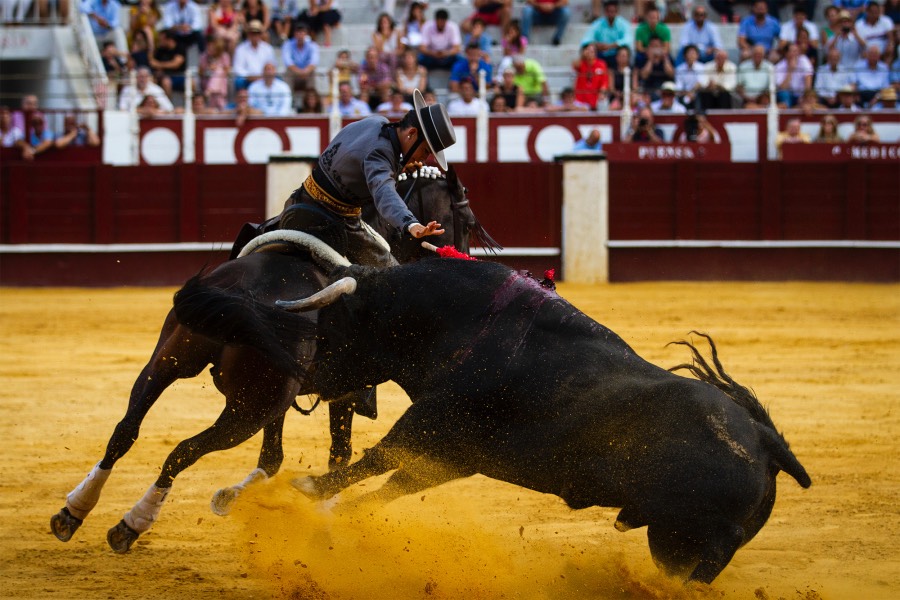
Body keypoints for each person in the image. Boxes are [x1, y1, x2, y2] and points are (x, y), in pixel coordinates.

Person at [279, 89, 456, 268]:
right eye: (425, 151)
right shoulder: (381, 154)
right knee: (390, 277)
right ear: (411, 134)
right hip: (335, 220)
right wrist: (410, 223)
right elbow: (384, 192)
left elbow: (360, 162)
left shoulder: (377, 122)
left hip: (300, 200)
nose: (423, 160)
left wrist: (399, 167)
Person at [581, 0, 630, 66]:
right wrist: (596, 45)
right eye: (609, 11)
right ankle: (589, 72)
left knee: (624, 51)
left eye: (613, 11)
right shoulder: (598, 24)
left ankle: (622, 73)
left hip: (616, 54)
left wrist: (612, 45)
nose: (611, 14)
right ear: (605, 12)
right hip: (601, 53)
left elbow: (628, 39)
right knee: (588, 49)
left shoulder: (623, 24)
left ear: (617, 12)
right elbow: (586, 39)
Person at [233, 20, 277, 90]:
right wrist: (250, 77)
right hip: (247, 79)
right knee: (239, 81)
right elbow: (238, 68)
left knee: (279, 80)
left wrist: (263, 76)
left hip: (265, 78)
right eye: (252, 33)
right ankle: (243, 101)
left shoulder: (268, 48)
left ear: (261, 34)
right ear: (248, 34)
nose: (255, 35)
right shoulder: (240, 49)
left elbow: (272, 65)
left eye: (257, 33)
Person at [282, 23, 319, 93]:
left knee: (312, 73)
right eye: (298, 32)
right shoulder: (288, 44)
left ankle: (310, 100)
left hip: (306, 74)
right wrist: (300, 72)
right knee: (288, 73)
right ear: (294, 34)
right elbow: (288, 63)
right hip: (294, 73)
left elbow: (313, 62)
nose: (300, 35)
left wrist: (305, 71)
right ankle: (288, 99)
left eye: (302, 32)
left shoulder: (313, 45)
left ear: (306, 34)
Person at [149, 28, 187, 98]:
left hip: (180, 76)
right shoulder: (160, 50)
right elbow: (152, 63)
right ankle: (168, 106)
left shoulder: (180, 48)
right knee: (165, 82)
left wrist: (159, 64)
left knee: (191, 83)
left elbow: (176, 64)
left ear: (169, 39)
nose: (159, 41)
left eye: (161, 39)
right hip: (165, 77)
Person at [774, 43, 813, 107]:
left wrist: (804, 96)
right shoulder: (779, 66)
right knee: (784, 94)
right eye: (793, 51)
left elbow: (808, 83)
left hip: (802, 94)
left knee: (810, 95)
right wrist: (790, 70)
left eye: (797, 51)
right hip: (788, 94)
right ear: (786, 53)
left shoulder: (804, 60)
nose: (796, 54)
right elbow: (783, 87)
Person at [572, 43, 609, 110]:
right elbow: (574, 65)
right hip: (581, 99)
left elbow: (604, 82)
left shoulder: (601, 64)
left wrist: (602, 94)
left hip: (595, 98)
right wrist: (583, 56)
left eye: (592, 51)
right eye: (588, 51)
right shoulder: (581, 63)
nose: (590, 53)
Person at [198, 37, 231, 111]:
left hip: (221, 84)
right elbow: (200, 73)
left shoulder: (224, 56)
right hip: (206, 81)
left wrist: (216, 68)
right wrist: (208, 69)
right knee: (217, 74)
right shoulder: (204, 56)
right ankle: (210, 92)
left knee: (219, 72)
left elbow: (227, 72)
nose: (209, 48)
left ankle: (209, 91)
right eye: (208, 46)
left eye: (212, 46)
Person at [737, 44, 773, 108]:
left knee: (782, 106)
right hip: (747, 99)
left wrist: (764, 97)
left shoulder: (769, 67)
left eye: (760, 54)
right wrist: (747, 97)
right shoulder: (743, 66)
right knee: (749, 107)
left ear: (763, 55)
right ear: (752, 54)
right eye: (756, 53)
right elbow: (739, 87)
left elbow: (772, 87)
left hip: (763, 99)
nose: (758, 56)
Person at [675, 45, 704, 109]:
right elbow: (679, 86)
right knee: (681, 98)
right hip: (684, 94)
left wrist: (691, 93)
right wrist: (686, 93)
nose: (691, 56)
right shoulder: (679, 69)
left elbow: (700, 83)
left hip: (697, 93)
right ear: (684, 56)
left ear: (697, 56)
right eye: (689, 53)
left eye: (693, 53)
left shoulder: (702, 67)